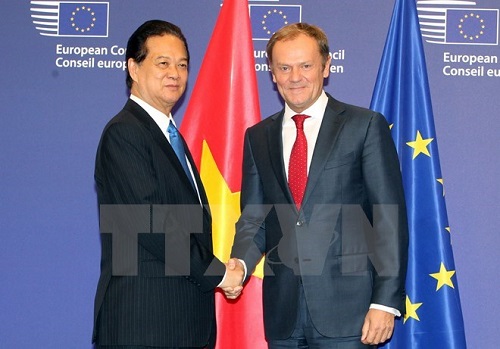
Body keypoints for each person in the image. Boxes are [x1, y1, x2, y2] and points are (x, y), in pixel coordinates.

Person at [229, 23, 409, 348]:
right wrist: (240, 263)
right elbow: (255, 218)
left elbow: (388, 218)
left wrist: (385, 302)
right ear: (272, 73)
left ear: (326, 67)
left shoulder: (364, 126)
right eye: (284, 67)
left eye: (305, 65)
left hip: (349, 315)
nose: (294, 77)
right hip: (282, 316)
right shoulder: (257, 137)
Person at [92, 20, 243, 349]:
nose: (175, 73)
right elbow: (152, 222)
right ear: (133, 67)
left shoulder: (168, 134)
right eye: (162, 63)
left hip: (180, 324)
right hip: (145, 323)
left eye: (182, 64)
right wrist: (218, 273)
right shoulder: (125, 133)